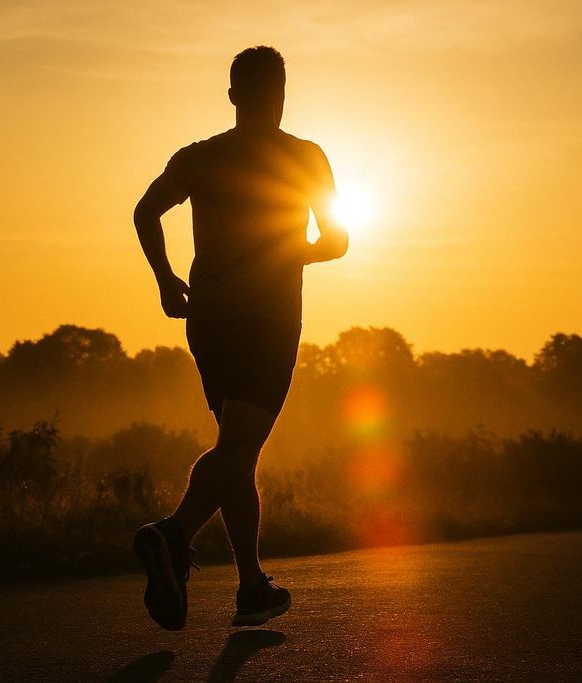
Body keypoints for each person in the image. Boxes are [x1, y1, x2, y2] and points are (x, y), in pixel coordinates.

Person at [131, 45, 349, 630]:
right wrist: (288, 257)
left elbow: (145, 211)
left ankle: (251, 584)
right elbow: (337, 240)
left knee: (237, 448)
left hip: (207, 318)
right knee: (239, 446)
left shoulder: (201, 156)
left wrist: (165, 280)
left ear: (233, 96)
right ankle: (172, 536)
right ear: (282, 93)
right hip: (268, 321)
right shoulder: (305, 157)